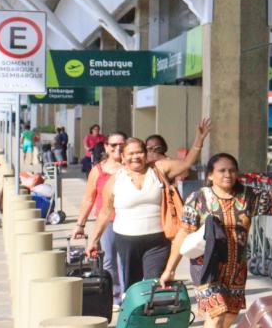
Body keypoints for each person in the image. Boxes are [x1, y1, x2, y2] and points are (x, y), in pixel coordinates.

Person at [160, 153, 272, 328]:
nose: (228, 174)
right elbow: (183, 233)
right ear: (210, 175)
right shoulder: (198, 198)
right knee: (216, 313)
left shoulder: (249, 195)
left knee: (230, 313)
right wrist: (169, 269)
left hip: (237, 266)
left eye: (232, 170)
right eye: (222, 170)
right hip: (206, 266)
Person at [85, 121, 208, 296]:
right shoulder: (114, 180)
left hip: (158, 240)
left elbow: (187, 163)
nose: (135, 157)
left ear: (146, 154)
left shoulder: (158, 169)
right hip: (126, 241)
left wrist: (199, 140)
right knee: (132, 288)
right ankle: (133, 311)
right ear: (123, 157)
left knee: (155, 284)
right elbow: (105, 212)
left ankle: (152, 312)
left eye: (139, 152)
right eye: (131, 153)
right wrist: (94, 240)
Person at [74, 132, 127, 304]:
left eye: (122, 144)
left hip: (130, 220)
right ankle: (115, 298)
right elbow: (88, 199)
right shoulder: (98, 170)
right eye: (113, 145)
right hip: (107, 222)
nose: (118, 148)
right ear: (106, 147)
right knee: (109, 261)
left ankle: (128, 296)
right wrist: (80, 224)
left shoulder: (132, 168)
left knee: (126, 261)